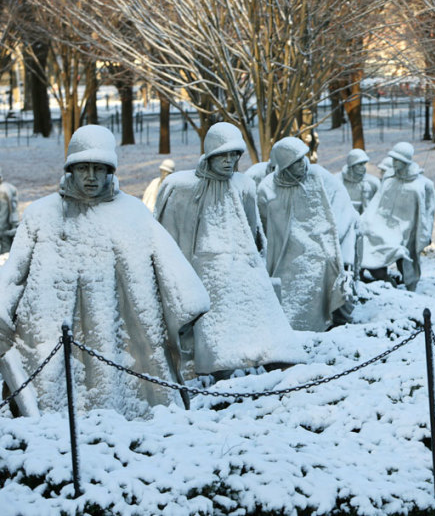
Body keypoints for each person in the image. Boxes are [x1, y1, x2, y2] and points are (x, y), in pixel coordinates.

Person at [0, 125, 210, 419]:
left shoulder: (133, 213)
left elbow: (170, 265)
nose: (90, 176)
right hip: (52, 337)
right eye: (83, 167)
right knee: (53, 393)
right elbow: (13, 273)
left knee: (115, 380)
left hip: (116, 334)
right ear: (70, 168)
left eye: (98, 168)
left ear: (109, 171)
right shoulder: (41, 215)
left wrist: (189, 302)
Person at [155, 122, 306, 378]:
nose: (228, 161)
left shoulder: (244, 185)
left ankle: (276, 358)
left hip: (242, 263)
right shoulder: (182, 186)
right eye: (222, 155)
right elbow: (168, 234)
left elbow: (253, 231)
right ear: (210, 155)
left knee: (262, 309)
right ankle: (219, 365)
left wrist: (254, 261)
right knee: (215, 313)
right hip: (203, 265)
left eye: (234, 155)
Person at [257, 137, 352, 332]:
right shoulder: (267, 188)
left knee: (328, 270)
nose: (303, 164)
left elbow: (340, 202)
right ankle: (292, 328)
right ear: (284, 165)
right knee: (289, 283)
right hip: (286, 251)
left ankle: (335, 323)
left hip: (320, 244)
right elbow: (264, 222)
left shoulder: (318, 176)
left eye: (303, 158)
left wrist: (332, 237)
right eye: (296, 161)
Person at [361, 142, 435, 291]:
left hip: (408, 229)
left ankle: (411, 287)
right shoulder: (389, 177)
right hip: (384, 226)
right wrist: (366, 218)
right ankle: (385, 280)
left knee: (407, 260)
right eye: (393, 159)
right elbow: (378, 200)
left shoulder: (423, 185)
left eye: (397, 160)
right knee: (370, 249)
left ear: (406, 161)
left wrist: (425, 233)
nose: (393, 163)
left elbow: (428, 211)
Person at [337, 149, 380, 215]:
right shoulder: (338, 180)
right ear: (352, 166)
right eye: (359, 164)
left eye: (364, 164)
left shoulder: (372, 182)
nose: (363, 167)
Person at [0, 165, 19, 253]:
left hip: (4, 228)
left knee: (6, 249)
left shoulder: (4, 191)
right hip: (8, 227)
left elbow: (12, 210)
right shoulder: (9, 188)